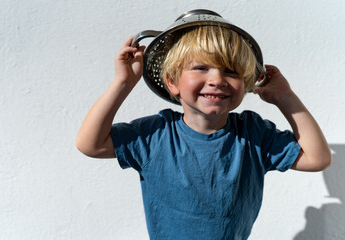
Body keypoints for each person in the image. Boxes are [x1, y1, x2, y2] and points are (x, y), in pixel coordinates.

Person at [76, 25, 332, 239]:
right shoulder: (154, 135)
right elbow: (91, 144)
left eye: (231, 71)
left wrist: (284, 97)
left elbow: (316, 158)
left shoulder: (254, 133)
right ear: (172, 82)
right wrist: (123, 83)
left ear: (245, 85)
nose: (217, 79)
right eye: (201, 68)